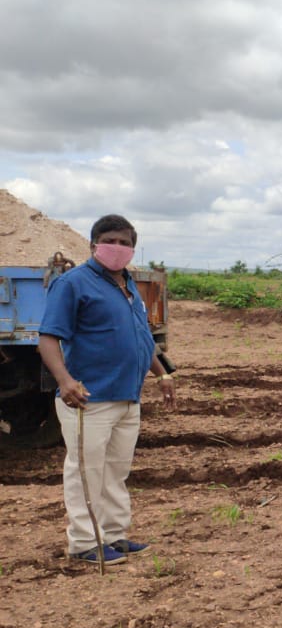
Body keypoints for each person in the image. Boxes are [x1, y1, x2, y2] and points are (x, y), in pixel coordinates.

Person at [38, 214, 176, 565]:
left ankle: (114, 534)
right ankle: (85, 542)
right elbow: (48, 338)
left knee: (116, 470)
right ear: (93, 244)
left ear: (133, 247)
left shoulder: (129, 288)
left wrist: (161, 375)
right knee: (86, 470)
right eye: (110, 240)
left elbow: (142, 340)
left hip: (127, 396)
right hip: (89, 397)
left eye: (125, 242)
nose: (117, 248)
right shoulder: (73, 283)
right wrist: (65, 380)